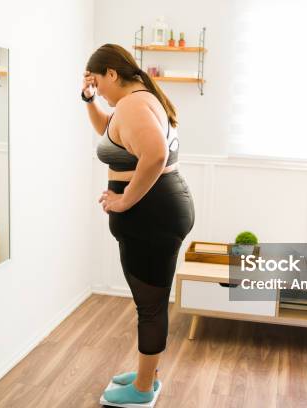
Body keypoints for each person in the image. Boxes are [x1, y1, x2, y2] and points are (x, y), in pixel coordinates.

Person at [83, 44, 195, 404]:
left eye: (98, 82)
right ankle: (149, 373)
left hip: (152, 214)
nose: (98, 89)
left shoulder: (132, 104)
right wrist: (88, 100)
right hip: (158, 212)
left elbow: (156, 155)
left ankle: (143, 390)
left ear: (112, 74)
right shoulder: (134, 102)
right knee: (151, 302)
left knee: (150, 305)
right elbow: (109, 132)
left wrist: (125, 199)